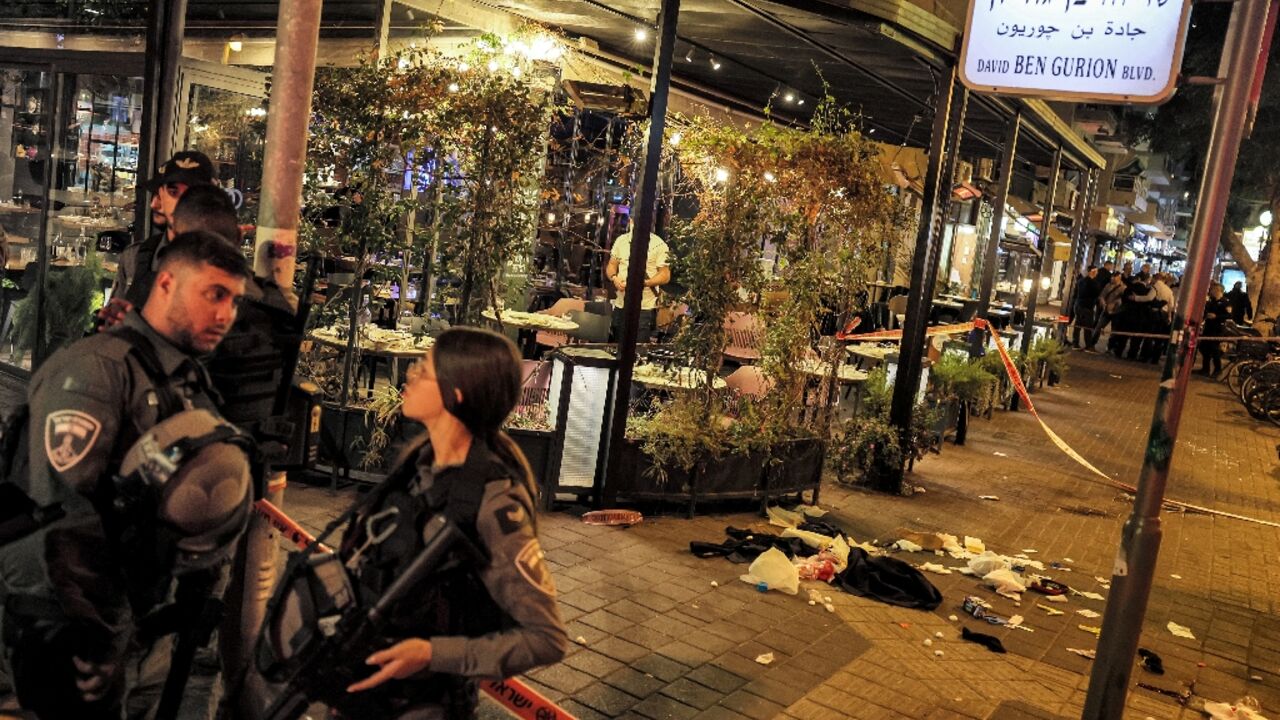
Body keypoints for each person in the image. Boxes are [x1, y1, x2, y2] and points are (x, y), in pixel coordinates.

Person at [0, 231, 254, 719]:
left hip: (131, 624)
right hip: (64, 633)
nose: (226, 315)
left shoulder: (181, 374)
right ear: (165, 284)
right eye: (214, 294)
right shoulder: (96, 371)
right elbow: (61, 518)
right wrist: (92, 641)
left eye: (234, 301)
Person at [332, 327, 567, 718]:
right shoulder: (420, 462)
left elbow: (546, 639)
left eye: (423, 371)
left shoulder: (493, 503)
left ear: (455, 393)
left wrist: (433, 655)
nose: (410, 376)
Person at [98, 151, 217, 329]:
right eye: (172, 191)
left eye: (191, 194)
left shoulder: (223, 265)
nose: (155, 204)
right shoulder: (136, 257)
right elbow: (110, 330)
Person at [606, 229, 670, 343]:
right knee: (616, 344)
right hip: (621, 304)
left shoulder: (658, 244)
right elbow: (611, 265)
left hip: (644, 307)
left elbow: (665, 275)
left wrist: (644, 283)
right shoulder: (621, 240)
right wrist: (615, 278)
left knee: (637, 347)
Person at [1200, 282, 1232, 377]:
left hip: (1217, 329)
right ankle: (1205, 369)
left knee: (1214, 350)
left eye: (1213, 289)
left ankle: (1217, 370)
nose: (1211, 291)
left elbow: (1229, 316)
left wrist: (1216, 316)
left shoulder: (1225, 302)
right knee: (1204, 348)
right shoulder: (1211, 301)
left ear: (1218, 290)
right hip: (1208, 328)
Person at [1090, 272, 1126, 353]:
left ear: (1119, 278)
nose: (1111, 279)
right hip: (1106, 310)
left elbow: (1123, 300)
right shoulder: (1108, 285)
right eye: (1111, 278)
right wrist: (1103, 302)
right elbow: (1102, 295)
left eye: (1114, 278)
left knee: (1114, 330)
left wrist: (1116, 304)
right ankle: (1092, 344)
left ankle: (1110, 348)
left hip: (1116, 312)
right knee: (1099, 327)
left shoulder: (1123, 288)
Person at [1071, 266, 1100, 349]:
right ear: (1092, 272)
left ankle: (1075, 343)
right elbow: (1096, 293)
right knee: (1088, 326)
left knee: (1078, 324)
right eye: (1096, 271)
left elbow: (1076, 293)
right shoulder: (1092, 283)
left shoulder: (1081, 281)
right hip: (1087, 307)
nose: (1097, 273)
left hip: (1079, 305)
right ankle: (1088, 345)